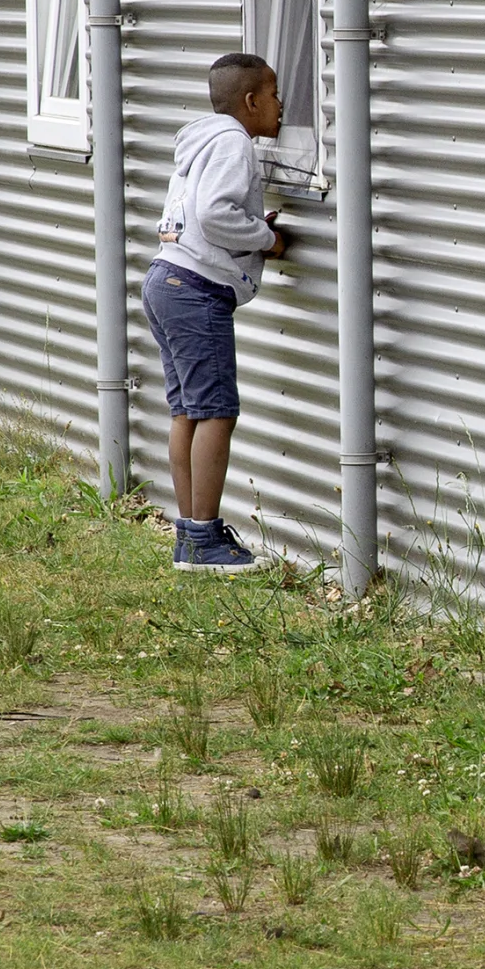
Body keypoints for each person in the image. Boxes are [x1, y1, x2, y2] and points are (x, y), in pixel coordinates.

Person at [149, 51, 291, 576]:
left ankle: (190, 535)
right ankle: (206, 540)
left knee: (188, 409)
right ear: (251, 101)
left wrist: (252, 225)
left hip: (165, 277)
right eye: (274, 94)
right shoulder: (234, 142)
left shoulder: (202, 142)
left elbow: (203, 208)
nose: (281, 104)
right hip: (194, 288)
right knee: (216, 412)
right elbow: (215, 214)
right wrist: (268, 239)